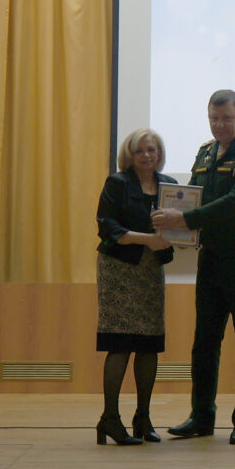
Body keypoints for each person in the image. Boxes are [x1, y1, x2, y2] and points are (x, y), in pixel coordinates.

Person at [151, 89, 235, 445]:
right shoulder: (206, 151)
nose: (220, 125)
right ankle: (201, 416)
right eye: (214, 119)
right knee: (204, 341)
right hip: (213, 256)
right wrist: (168, 215)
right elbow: (193, 194)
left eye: (227, 118)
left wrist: (184, 219)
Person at [95, 128, 176, 445]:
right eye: (140, 151)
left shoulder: (169, 186)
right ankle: (110, 419)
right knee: (121, 342)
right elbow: (107, 227)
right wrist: (149, 241)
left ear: (159, 153)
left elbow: (180, 227)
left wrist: (181, 240)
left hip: (150, 271)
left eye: (152, 150)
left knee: (149, 343)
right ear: (130, 154)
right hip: (119, 268)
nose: (147, 155)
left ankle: (143, 417)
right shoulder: (118, 183)